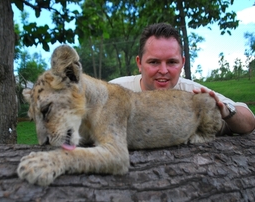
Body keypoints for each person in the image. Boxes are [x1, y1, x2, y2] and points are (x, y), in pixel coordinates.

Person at [109, 23, 255, 135]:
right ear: (139, 63)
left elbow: (249, 121)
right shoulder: (114, 91)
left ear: (182, 63)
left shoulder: (193, 93)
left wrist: (226, 111)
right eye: (154, 62)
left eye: (172, 62)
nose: (164, 71)